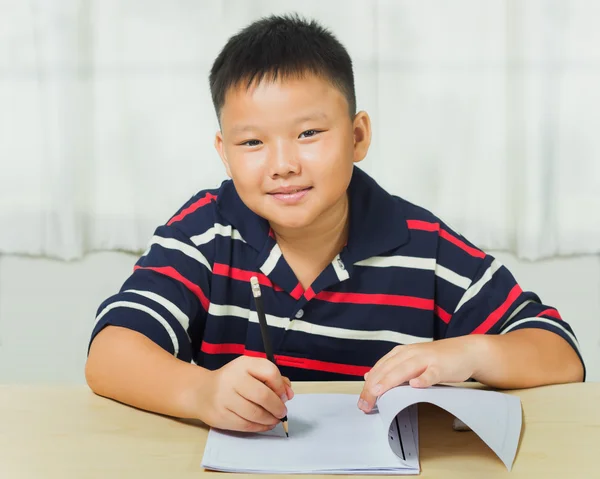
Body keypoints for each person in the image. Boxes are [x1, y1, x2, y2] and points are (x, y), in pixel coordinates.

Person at [85, 14, 584, 434]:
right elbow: (110, 352)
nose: (282, 164)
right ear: (224, 153)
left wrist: (471, 353)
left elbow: (560, 354)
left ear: (358, 135)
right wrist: (202, 392)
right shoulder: (205, 233)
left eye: (308, 133)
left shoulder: (423, 246)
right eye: (252, 143)